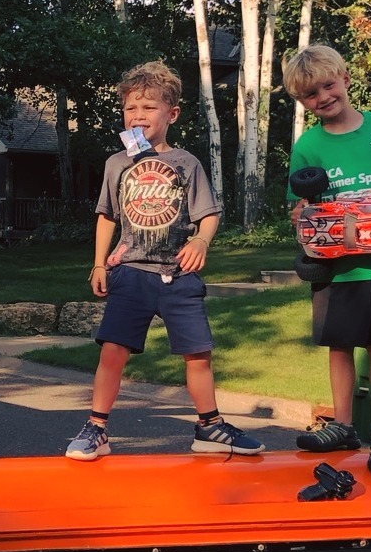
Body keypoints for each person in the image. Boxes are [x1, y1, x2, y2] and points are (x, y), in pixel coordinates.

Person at [65, 61, 264, 461]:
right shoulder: (117, 163)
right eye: (130, 109)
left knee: (198, 354)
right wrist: (100, 263)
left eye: (148, 108)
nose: (137, 116)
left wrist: (203, 242)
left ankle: (209, 427)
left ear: (171, 114)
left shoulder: (187, 163)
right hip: (132, 273)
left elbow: (208, 213)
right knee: (112, 351)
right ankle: (97, 429)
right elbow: (106, 215)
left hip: (178, 273)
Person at [283, 44, 371, 477]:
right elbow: (298, 207)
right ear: (302, 102)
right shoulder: (308, 145)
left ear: (344, 77)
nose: (322, 97)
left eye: (327, 84)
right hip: (336, 266)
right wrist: (303, 218)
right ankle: (342, 425)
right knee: (339, 345)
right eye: (310, 94)